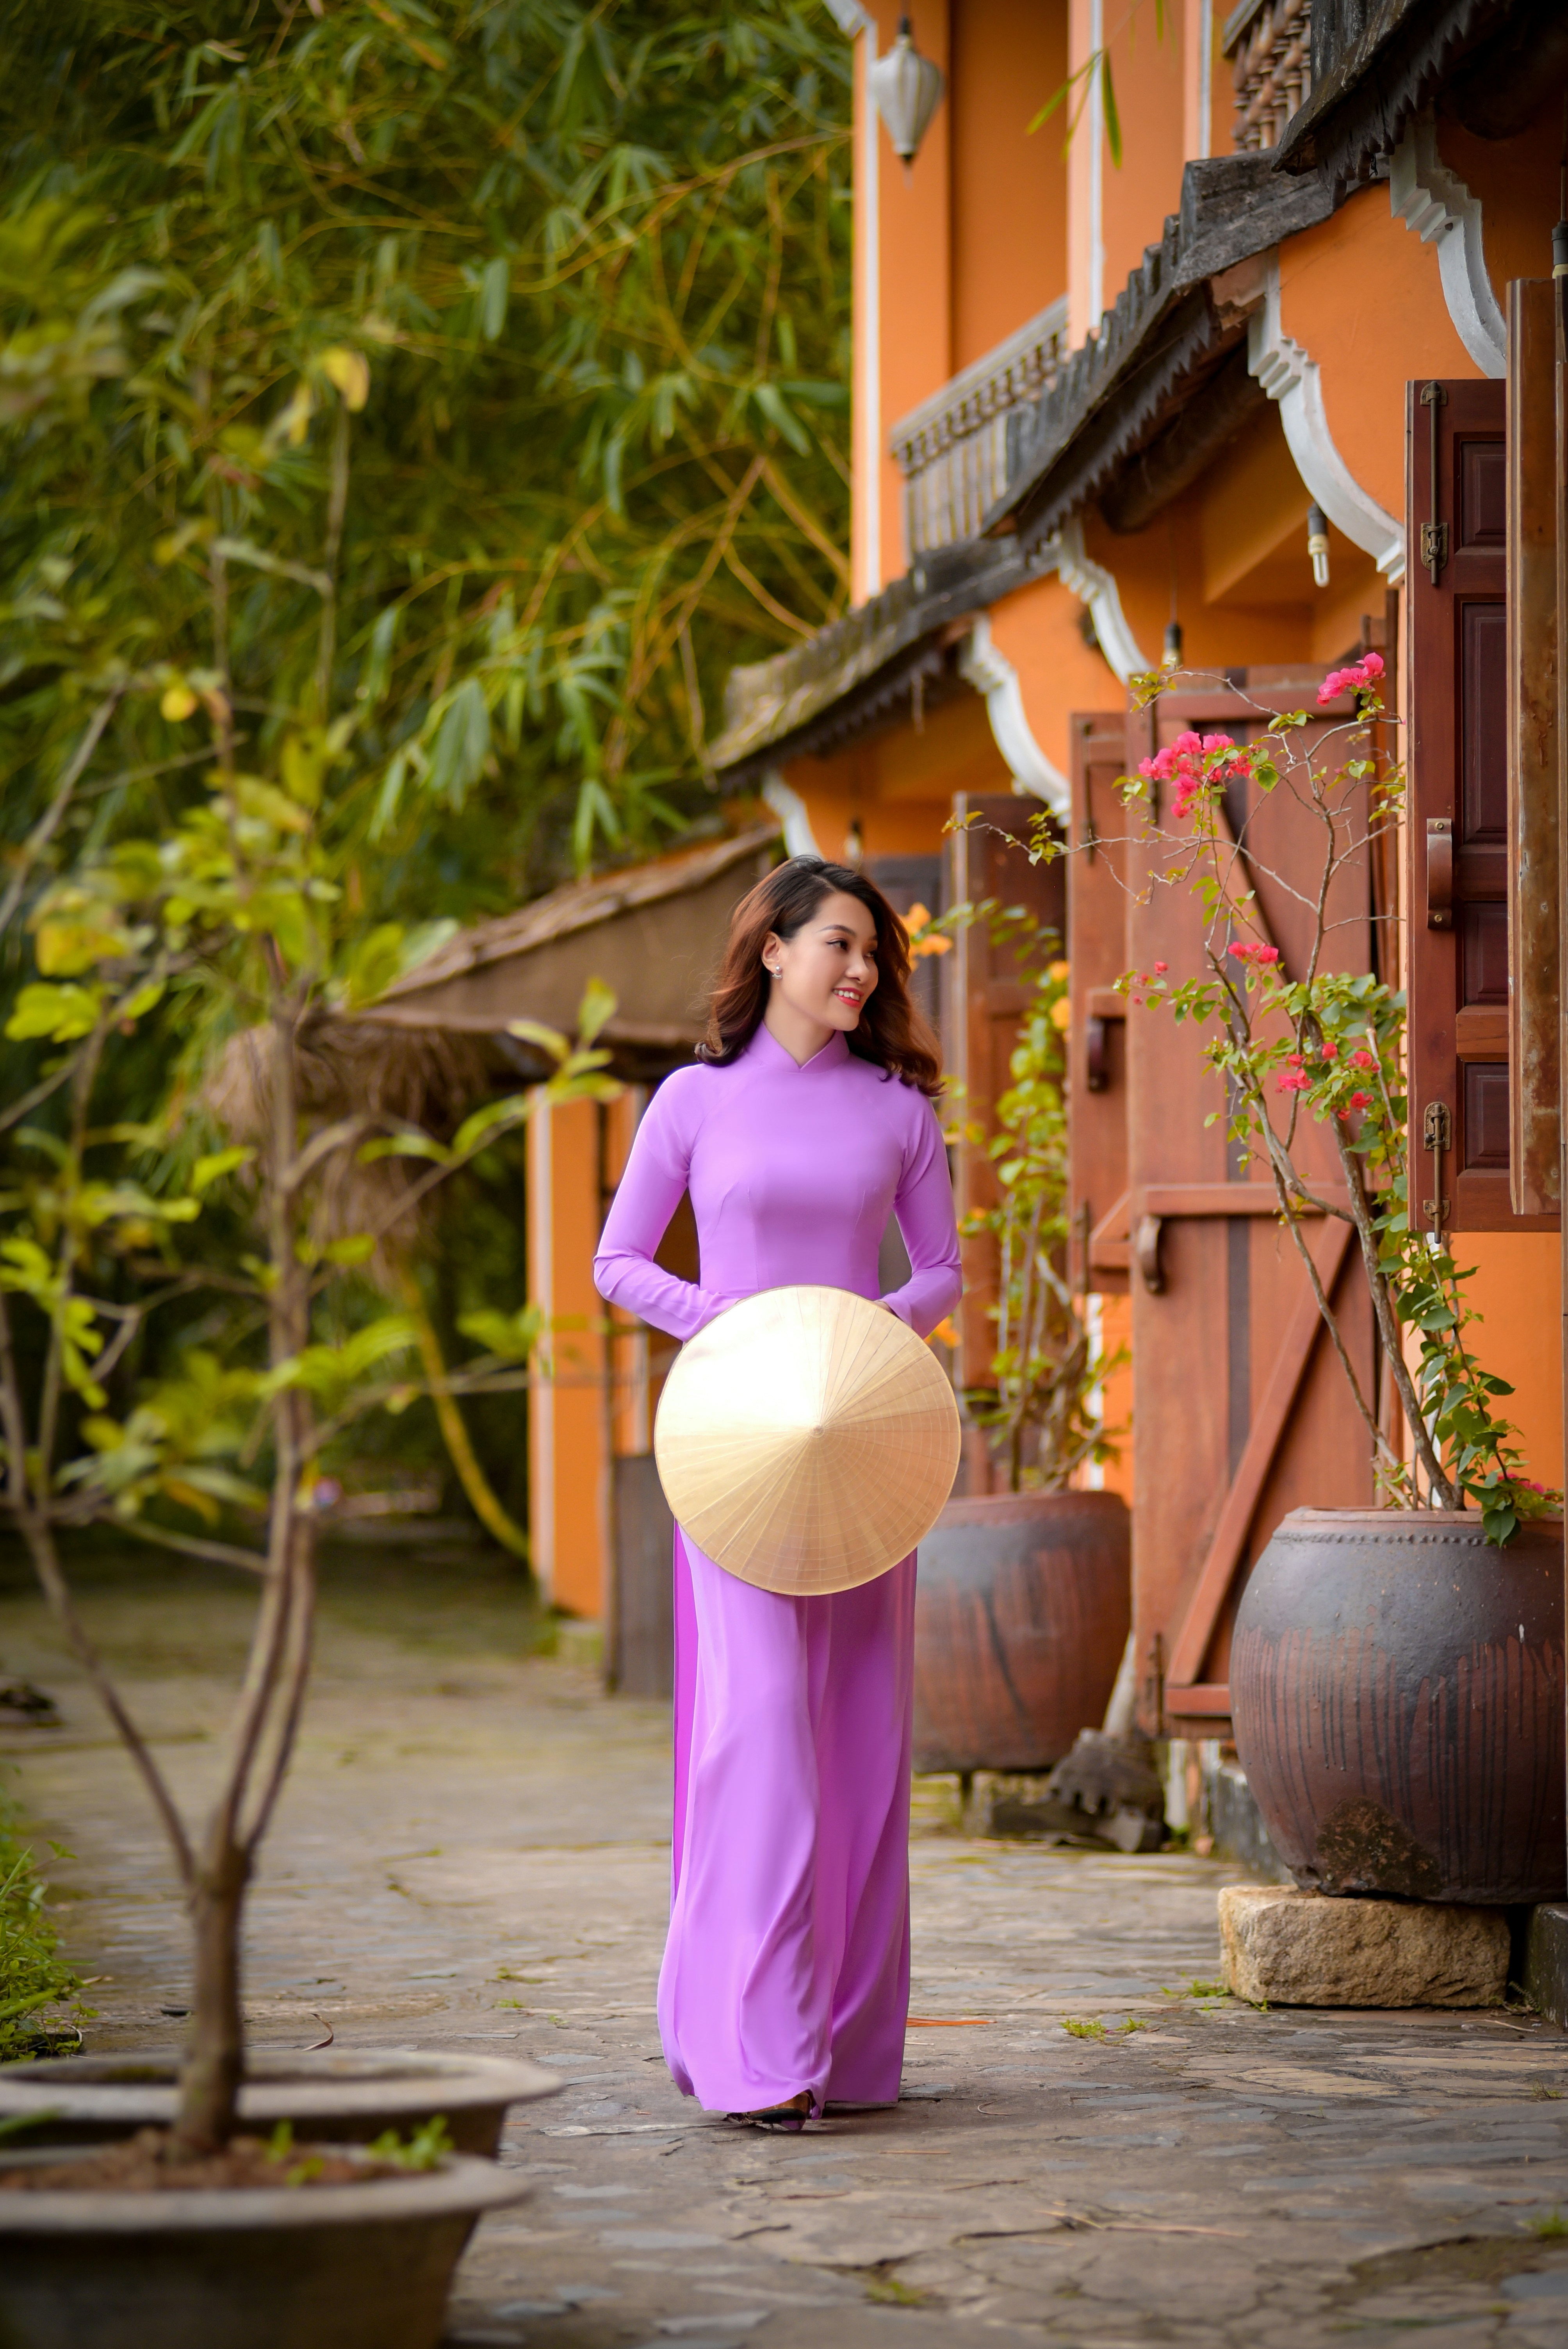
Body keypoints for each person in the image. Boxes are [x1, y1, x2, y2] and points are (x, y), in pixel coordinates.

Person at [593, 856, 962, 2131]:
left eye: (876, 954)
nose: (863, 971)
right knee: (758, 1739)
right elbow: (618, 1258)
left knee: (857, 1745)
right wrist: (725, 1320)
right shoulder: (693, 1101)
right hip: (735, 1443)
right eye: (843, 946)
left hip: (863, 1442)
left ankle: (849, 2052)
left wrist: (864, 1321)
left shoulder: (899, 1110)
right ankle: (754, 2052)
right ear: (773, 952)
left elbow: (943, 1273)